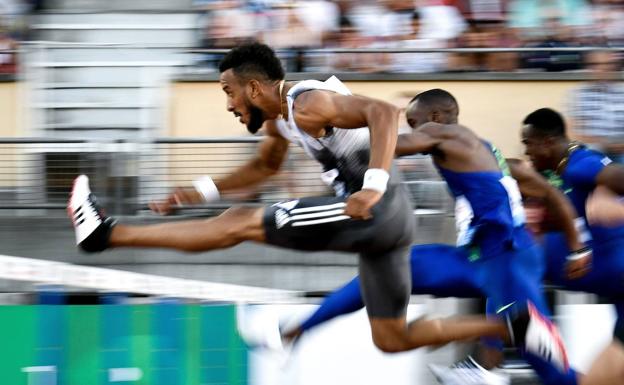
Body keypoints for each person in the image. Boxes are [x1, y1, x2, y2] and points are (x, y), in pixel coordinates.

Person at [68, 43, 565, 362]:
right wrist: (193, 192)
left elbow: (382, 113)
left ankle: (104, 232)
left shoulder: (306, 102)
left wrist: (371, 184)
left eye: (229, 92)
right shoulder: (282, 119)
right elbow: (263, 169)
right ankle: (514, 326)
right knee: (390, 337)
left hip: (375, 208)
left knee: (240, 223)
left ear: (255, 87)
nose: (228, 104)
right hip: (388, 226)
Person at [274, 89, 583, 385]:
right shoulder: (482, 149)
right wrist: (577, 247)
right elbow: (551, 194)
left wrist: (335, 124)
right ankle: (298, 329)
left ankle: (496, 359)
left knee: (554, 374)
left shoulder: (448, 134)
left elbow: (393, 144)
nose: (414, 130)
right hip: (479, 259)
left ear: (435, 115)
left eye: (414, 122)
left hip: (507, 257)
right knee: (389, 269)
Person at [521, 108, 624, 385]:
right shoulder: (559, 169)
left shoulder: (580, 165)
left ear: (547, 142)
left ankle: (487, 364)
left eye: (528, 143)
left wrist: (614, 206)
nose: (527, 152)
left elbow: (615, 175)